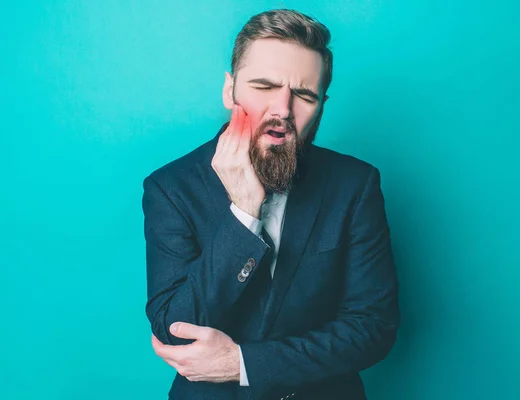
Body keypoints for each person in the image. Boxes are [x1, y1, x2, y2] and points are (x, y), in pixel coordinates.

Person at [142, 9, 399, 400]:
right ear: (230, 90)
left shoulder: (355, 185)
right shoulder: (170, 188)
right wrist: (244, 215)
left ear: (321, 106)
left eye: (304, 95)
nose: (282, 109)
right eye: (264, 86)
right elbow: (175, 327)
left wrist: (244, 363)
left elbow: (372, 327)